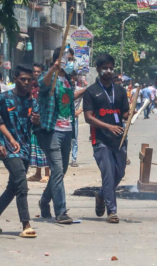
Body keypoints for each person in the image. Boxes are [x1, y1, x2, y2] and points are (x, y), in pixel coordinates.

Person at [35, 46, 85, 224]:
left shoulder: (68, 81)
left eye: (71, 59)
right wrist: (53, 69)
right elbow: (42, 83)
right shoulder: (52, 77)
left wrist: (86, 90)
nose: (69, 62)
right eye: (67, 59)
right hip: (52, 131)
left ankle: (44, 201)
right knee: (56, 170)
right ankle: (61, 211)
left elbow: (69, 99)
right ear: (58, 60)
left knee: (61, 170)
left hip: (67, 130)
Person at [83, 53, 129, 223]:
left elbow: (124, 114)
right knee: (108, 174)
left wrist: (129, 115)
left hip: (120, 139)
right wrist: (108, 126)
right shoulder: (91, 91)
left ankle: (101, 195)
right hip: (100, 139)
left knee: (120, 173)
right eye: (105, 68)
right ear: (98, 70)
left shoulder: (120, 90)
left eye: (111, 67)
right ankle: (112, 211)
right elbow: (88, 117)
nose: (108, 71)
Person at [0, 64, 39, 238]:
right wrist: (7, 140)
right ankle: (26, 224)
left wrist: (37, 121)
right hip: (7, 148)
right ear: (15, 79)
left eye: (29, 80)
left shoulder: (33, 102)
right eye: (23, 79)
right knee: (22, 185)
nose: (26, 82)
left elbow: (35, 126)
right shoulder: (4, 98)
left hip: (24, 148)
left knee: (13, 188)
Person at [27, 62, 50, 182]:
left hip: (43, 118)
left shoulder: (45, 85)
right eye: (34, 71)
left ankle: (47, 173)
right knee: (35, 146)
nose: (36, 73)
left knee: (44, 146)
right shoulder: (30, 85)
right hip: (33, 118)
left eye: (38, 71)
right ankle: (38, 173)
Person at [70, 71, 85, 167]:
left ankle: (74, 159)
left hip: (74, 118)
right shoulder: (63, 88)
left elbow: (89, 99)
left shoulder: (80, 90)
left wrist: (81, 110)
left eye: (73, 77)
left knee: (74, 138)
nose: (71, 79)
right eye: (70, 77)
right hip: (64, 116)